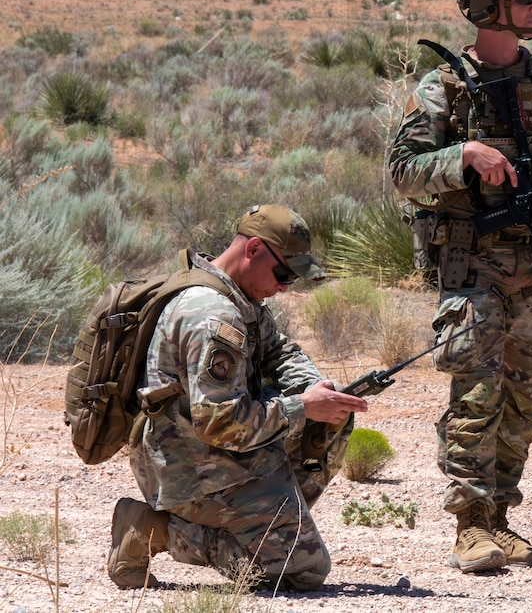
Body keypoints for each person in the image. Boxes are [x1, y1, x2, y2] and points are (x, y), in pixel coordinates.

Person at [389, 0, 532, 572]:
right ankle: (469, 526)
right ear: (488, 6)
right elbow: (403, 172)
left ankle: (501, 519)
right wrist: (466, 158)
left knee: (520, 402)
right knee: (476, 398)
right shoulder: (443, 91)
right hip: (473, 266)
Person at [107, 204, 369, 591]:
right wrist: (302, 406)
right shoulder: (213, 316)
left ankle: (267, 526)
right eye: (283, 273)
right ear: (254, 250)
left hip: (212, 452)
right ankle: (153, 530)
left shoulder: (239, 297)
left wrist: (317, 388)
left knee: (329, 416)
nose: (284, 286)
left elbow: (278, 351)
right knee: (304, 571)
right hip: (188, 468)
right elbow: (220, 422)